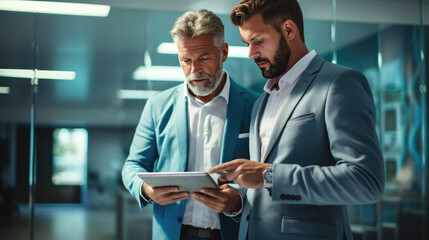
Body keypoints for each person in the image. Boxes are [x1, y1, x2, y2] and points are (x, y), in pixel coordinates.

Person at [209, 1, 385, 239]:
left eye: (258, 41)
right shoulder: (262, 101)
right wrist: (236, 201)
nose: (251, 53)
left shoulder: (339, 83)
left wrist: (269, 175)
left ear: (289, 30)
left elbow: (365, 181)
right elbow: (266, 195)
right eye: (247, 44)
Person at [121, 9, 259, 240]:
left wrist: (237, 201)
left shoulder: (256, 105)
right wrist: (146, 189)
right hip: (172, 234)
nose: (195, 70)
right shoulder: (157, 105)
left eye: (204, 58)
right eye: (186, 60)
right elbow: (133, 165)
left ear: (223, 52)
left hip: (234, 233)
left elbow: (269, 172)